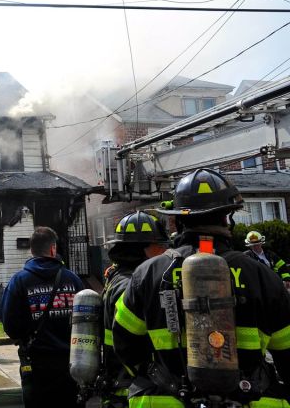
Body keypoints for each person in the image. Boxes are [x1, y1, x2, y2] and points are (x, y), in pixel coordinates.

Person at [112, 168, 290, 407]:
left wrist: (156, 372)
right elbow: (286, 349)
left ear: (179, 219)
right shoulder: (261, 274)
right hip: (249, 399)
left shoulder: (148, 273)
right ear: (227, 218)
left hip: (165, 399)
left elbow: (125, 343)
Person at [0, 226, 85, 408]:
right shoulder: (73, 280)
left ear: (32, 250)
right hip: (70, 365)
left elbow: (10, 324)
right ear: (53, 249)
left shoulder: (19, 281)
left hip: (35, 365)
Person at [101, 211, 169, 407]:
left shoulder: (119, 277)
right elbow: (130, 343)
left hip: (120, 385)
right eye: (160, 246)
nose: (165, 252)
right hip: (130, 388)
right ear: (144, 249)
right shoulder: (130, 285)